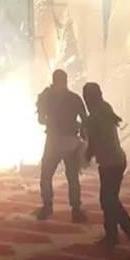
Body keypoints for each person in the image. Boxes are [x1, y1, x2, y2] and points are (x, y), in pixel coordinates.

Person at [82, 82, 130, 253]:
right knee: (109, 200)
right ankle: (112, 236)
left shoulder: (93, 118)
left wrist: (84, 158)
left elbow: (92, 145)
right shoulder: (105, 108)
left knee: (109, 201)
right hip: (117, 160)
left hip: (109, 163)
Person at [35, 69, 89, 222]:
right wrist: (81, 134)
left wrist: (51, 120)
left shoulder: (47, 97)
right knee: (72, 177)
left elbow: (41, 120)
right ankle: (76, 210)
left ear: (53, 81)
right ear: (66, 81)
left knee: (46, 175)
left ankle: (47, 206)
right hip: (70, 141)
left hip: (53, 141)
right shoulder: (75, 98)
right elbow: (85, 121)